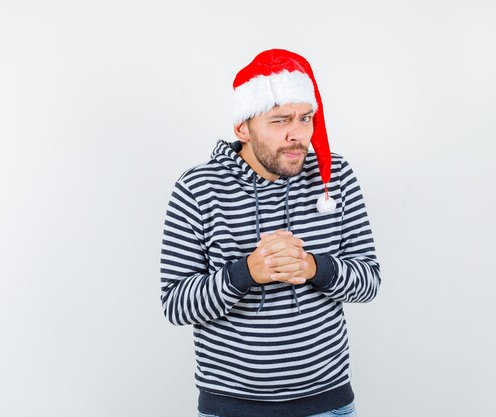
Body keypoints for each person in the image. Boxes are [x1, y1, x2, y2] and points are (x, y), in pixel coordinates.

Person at [160, 49, 381, 417]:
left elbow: (369, 281)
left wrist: (313, 267)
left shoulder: (334, 176)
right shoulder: (197, 189)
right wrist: (246, 272)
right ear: (242, 127)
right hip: (231, 408)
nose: (298, 135)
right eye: (280, 121)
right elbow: (177, 305)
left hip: (327, 404)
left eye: (305, 118)